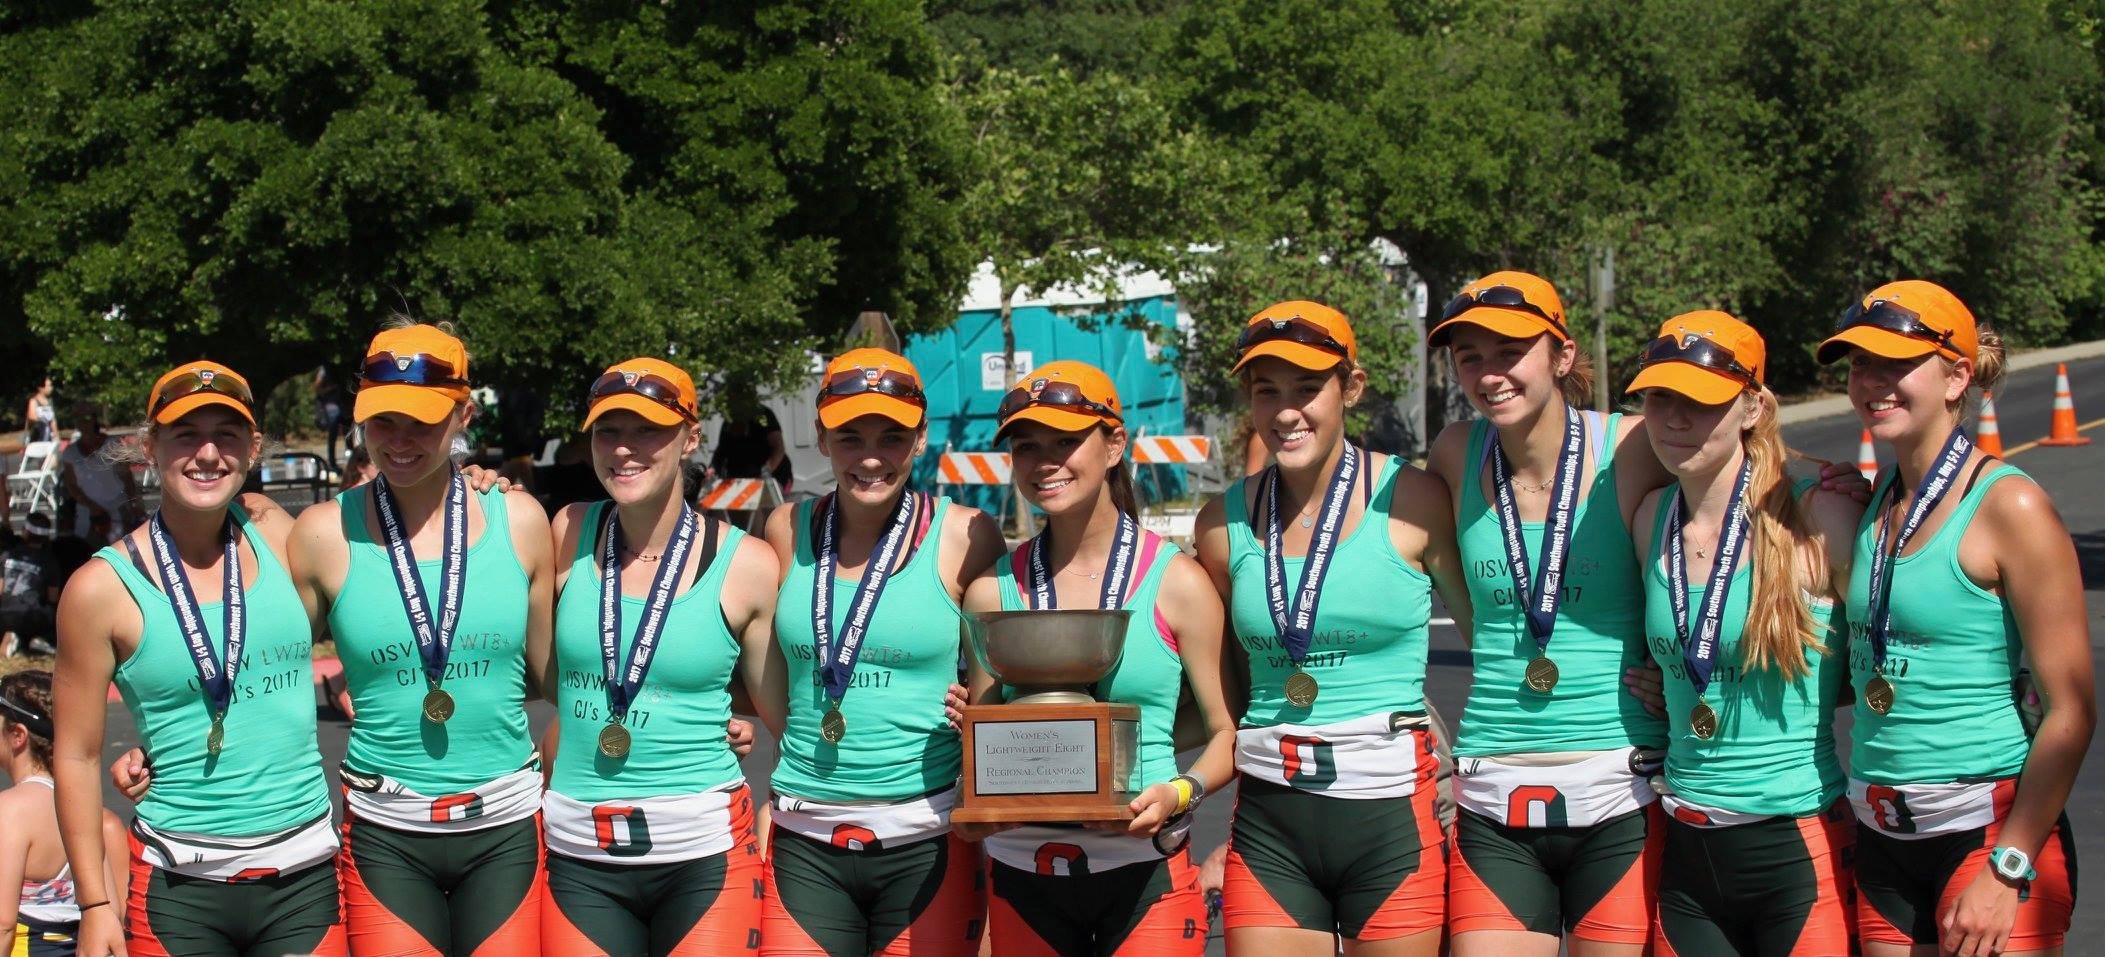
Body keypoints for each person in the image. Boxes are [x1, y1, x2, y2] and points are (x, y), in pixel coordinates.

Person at [1817, 280, 2093, 956]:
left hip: (1987, 833)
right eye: (1858, 364)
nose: (1870, 381)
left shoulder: (2009, 505)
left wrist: (2008, 865)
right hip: (1882, 836)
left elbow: (2070, 710)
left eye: (1894, 363)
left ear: (1955, 376)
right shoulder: (1873, 498)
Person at [1197, 303, 1471, 956]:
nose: (1287, 411)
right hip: (1270, 828)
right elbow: (1217, 687)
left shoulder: (1414, 497)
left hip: (1391, 822)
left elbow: (1494, 641)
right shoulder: (1218, 524)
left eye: (1307, 388)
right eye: (1267, 391)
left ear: (1349, 387)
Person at [51, 360, 345, 957]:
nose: (207, 453)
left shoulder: (274, 526)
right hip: (179, 888)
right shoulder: (99, 589)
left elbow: (396, 529)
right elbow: (77, 755)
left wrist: (467, 479)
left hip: (305, 877)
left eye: (227, 434)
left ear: (253, 447)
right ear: (149, 446)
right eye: (186, 433)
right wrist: (95, 906)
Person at [1422, 271, 1675, 956]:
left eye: (1509, 351)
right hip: (1493, 784)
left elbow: (1741, 467)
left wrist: (1826, 480)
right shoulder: (1453, 452)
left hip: (1620, 784)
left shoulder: (1630, 445)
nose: (1489, 373)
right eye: (1469, 356)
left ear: (1561, 356)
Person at [292, 321, 555, 955]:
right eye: (383, 421)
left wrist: (704, 715)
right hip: (387, 832)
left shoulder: (519, 519)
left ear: (463, 414)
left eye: (423, 421)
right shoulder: (324, 534)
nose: (400, 441)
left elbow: (560, 678)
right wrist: (161, 753)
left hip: (506, 825)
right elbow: (260, 677)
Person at [960, 360, 1233, 956]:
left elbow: (1224, 734)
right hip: (1021, 867)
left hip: (1144, 864)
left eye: (1066, 441)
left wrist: (1178, 793)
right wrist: (966, 740)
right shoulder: (990, 592)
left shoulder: (1177, 582)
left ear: (1113, 445)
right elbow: (982, 738)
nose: (1046, 462)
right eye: (1028, 447)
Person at [1625, 312, 1858, 955]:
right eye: (1659, 397)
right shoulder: (1650, 519)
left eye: (1700, 402)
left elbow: (1877, 664)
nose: (1674, 419)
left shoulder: (1820, 516)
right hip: (1688, 847)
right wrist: (1670, 678)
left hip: (1795, 846)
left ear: (1752, 405)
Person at [759, 349, 1004, 957]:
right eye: (850, 437)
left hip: (928, 835)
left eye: (892, 437)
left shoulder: (966, 536)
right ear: (820, 437)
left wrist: (980, 706)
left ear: (920, 439)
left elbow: (999, 689)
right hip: (806, 829)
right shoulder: (786, 530)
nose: (871, 457)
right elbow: (765, 671)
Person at [538, 358, 781, 954]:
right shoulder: (565, 529)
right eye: (608, 431)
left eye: (647, 429)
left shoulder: (747, 563)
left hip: (704, 855)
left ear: (691, 437)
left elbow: (789, 715)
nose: (624, 449)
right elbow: (550, 683)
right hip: (577, 851)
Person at [0, 670, 128, 957]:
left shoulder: (10, 811)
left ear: (17, 735)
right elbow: (114, 913)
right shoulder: (95, 817)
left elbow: (4, 924)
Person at [57, 407, 138, 545]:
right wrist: (92, 507)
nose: (83, 422)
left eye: (87, 418)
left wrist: (133, 503)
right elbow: (72, 485)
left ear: (94, 419)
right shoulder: (70, 453)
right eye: (79, 419)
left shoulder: (113, 444)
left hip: (117, 507)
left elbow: (126, 476)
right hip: (88, 512)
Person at [1, 513, 61, 657]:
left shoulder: (6, 556)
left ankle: (13, 638)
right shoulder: (49, 562)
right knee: (53, 610)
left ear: (25, 532)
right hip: (31, 616)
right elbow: (52, 598)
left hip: (3, 614)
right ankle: (37, 640)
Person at [711, 396, 793, 494]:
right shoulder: (729, 422)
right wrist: (712, 473)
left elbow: (778, 448)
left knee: (768, 503)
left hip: (773, 475)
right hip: (738, 478)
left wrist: (765, 473)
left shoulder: (763, 415)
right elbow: (720, 453)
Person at [314, 365, 351, 470]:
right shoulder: (325, 369)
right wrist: (332, 388)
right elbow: (317, 387)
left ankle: (350, 458)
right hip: (332, 406)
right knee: (333, 434)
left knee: (348, 432)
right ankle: (332, 463)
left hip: (343, 405)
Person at [25, 378, 55, 444]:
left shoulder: (49, 401)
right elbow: (32, 417)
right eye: (49, 386)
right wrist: (44, 422)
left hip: (48, 436)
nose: (51, 388)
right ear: (41, 388)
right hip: (36, 437)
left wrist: (56, 435)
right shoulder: (33, 401)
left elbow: (53, 420)